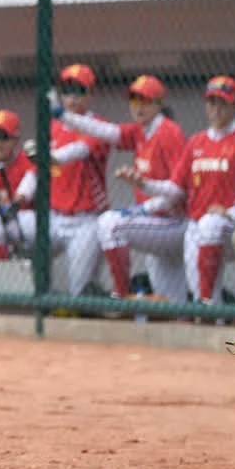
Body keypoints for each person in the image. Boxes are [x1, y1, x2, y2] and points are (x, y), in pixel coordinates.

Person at [123, 75, 235, 305]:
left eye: (222, 103)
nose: (216, 109)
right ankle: (209, 313)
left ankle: (205, 303)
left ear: (234, 104)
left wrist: (231, 213)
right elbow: (175, 189)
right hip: (196, 228)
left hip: (232, 228)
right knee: (199, 233)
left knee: (210, 224)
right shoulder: (196, 142)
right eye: (211, 102)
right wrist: (144, 184)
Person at [51, 75, 188, 302]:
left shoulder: (169, 131)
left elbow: (178, 191)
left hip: (174, 221)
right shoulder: (140, 131)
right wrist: (63, 115)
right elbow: (105, 131)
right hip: (156, 223)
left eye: (145, 101)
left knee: (111, 224)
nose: (139, 107)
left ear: (159, 104)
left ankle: (121, 295)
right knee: (173, 306)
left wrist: (143, 205)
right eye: (135, 101)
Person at [25, 64, 111, 297]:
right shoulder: (52, 127)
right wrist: (21, 195)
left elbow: (78, 150)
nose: (72, 98)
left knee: (79, 293)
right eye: (67, 91)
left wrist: (51, 158)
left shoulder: (98, 126)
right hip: (52, 219)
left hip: (86, 221)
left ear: (91, 94)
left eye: (79, 91)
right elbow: (35, 171)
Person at [0, 109, 36, 260]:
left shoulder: (28, 161)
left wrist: (2, 203)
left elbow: (24, 198)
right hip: (7, 222)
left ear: (16, 140)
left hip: (32, 221)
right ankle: (3, 271)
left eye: (4, 138)